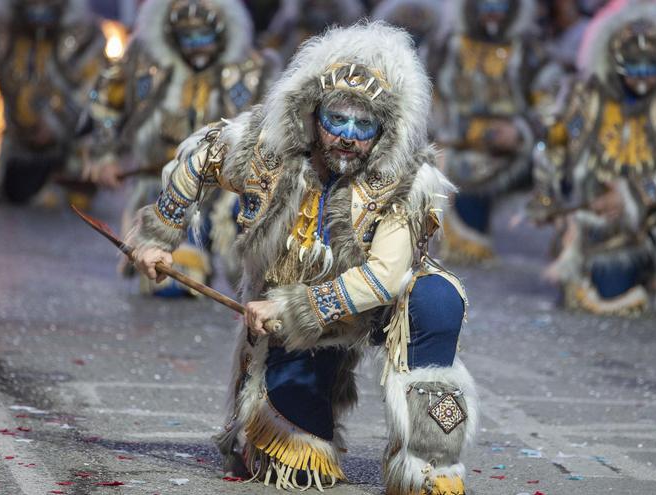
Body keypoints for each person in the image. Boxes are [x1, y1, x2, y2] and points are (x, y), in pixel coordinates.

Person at [128, 22, 478, 494]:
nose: (348, 137)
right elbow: (201, 156)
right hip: (289, 320)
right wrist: (159, 235)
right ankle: (287, 401)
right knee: (297, 462)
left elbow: (385, 276)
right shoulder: (263, 148)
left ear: (386, 129)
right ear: (313, 112)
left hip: (369, 307)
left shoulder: (406, 178)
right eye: (338, 120)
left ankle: (428, 464)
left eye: (365, 125)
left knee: (437, 299)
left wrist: (295, 307)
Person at [529, 0, 656, 318]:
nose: (642, 80)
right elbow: (555, 145)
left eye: (650, 70)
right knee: (609, 289)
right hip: (606, 217)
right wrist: (550, 195)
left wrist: (635, 195)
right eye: (633, 70)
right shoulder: (588, 98)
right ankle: (627, 273)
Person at [83, 0, 279, 296]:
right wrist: (103, 154)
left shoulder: (253, 69)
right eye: (188, 39)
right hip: (158, 184)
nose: (196, 47)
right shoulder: (143, 63)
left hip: (225, 189)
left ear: (222, 34)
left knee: (253, 270)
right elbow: (106, 101)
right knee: (172, 277)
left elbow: (274, 128)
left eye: (204, 38)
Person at [0, 0, 112, 206]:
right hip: (17, 137)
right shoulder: (0, 26)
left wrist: (56, 123)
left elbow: (97, 89)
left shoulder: (83, 31)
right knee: (12, 195)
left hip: (69, 138)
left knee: (76, 199)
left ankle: (76, 176)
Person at [436, 0, 553, 263]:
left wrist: (520, 132)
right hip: (455, 148)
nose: (492, 13)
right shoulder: (449, 45)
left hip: (516, 151)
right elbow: (425, 96)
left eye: (500, 6)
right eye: (485, 5)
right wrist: (444, 133)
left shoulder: (528, 49)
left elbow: (551, 106)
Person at [260, 0, 365, 63]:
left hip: (332, 49)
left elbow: (351, 46)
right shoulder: (293, 8)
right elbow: (274, 38)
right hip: (295, 43)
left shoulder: (350, 9)